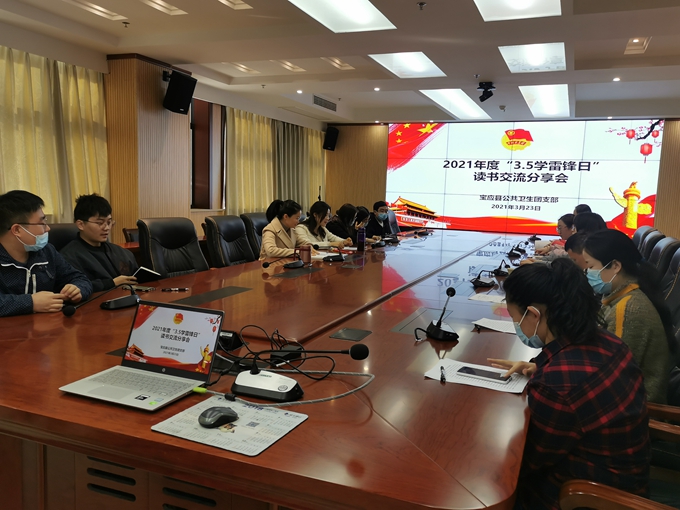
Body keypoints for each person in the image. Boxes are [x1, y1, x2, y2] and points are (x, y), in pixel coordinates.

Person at [488, 258, 650, 509]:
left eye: (515, 317)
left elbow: (524, 464)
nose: (516, 325)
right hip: (628, 479)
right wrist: (541, 367)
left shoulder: (556, 387)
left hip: (590, 498)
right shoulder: (609, 341)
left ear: (534, 314)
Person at [583, 229, 674, 404]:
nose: (588, 273)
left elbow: (612, 376)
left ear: (615, 266)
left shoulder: (628, 310)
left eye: (591, 267)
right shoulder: (621, 296)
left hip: (633, 409)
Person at [0, 190, 92, 317]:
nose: (48, 228)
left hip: (48, 325)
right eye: (42, 223)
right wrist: (31, 302)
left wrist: (77, 289)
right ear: (17, 230)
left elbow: (80, 278)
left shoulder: (46, 251)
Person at [60, 194, 139, 293]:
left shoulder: (122, 253)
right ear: (80, 224)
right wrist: (111, 283)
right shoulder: (68, 257)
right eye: (100, 223)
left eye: (109, 222)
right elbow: (74, 289)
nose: (106, 228)